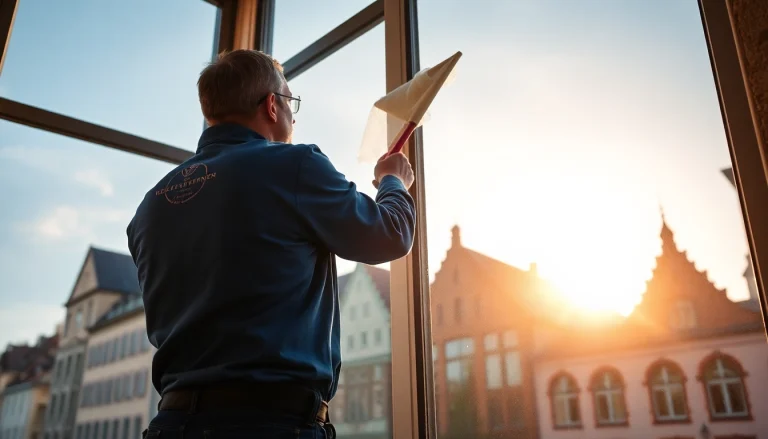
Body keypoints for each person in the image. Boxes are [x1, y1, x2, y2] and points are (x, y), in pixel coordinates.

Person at [126, 49, 416, 439]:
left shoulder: (149, 207)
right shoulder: (293, 165)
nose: (294, 116)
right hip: (270, 423)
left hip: (171, 425)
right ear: (272, 106)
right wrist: (393, 181)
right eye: (291, 102)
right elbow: (390, 233)